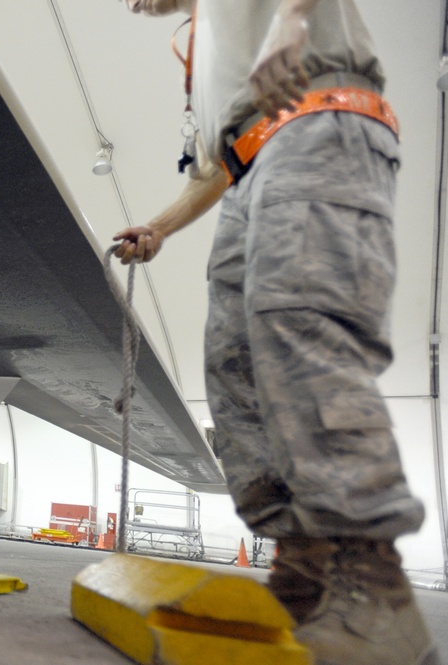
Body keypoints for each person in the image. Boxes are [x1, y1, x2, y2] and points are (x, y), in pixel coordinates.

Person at [115, 2, 437, 664]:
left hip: (322, 122)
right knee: (233, 369)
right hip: (249, 169)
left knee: (301, 330)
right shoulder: (209, 32)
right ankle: (309, 568)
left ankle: (369, 595)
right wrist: (161, 227)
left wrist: (291, 18)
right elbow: (215, 165)